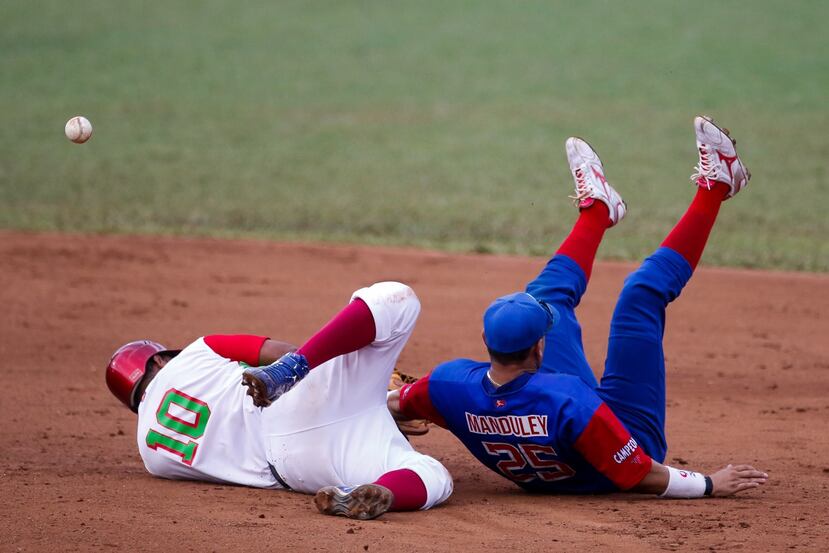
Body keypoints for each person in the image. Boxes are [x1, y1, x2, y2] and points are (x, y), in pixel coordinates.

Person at [387, 116, 768, 498]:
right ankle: (719, 184)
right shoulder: (566, 397)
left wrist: (388, 409)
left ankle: (599, 210)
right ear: (540, 347)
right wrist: (709, 484)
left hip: (564, 433)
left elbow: (398, 402)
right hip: (628, 449)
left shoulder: (448, 386)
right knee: (641, 294)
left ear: (486, 340)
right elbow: (640, 473)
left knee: (546, 299)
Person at [105, 281, 453, 520]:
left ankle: (377, 491)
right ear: (159, 360)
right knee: (396, 299)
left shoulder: (152, 458)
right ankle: (293, 371)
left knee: (432, 476)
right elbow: (279, 350)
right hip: (286, 401)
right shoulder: (197, 351)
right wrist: (371, 388)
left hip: (298, 468)